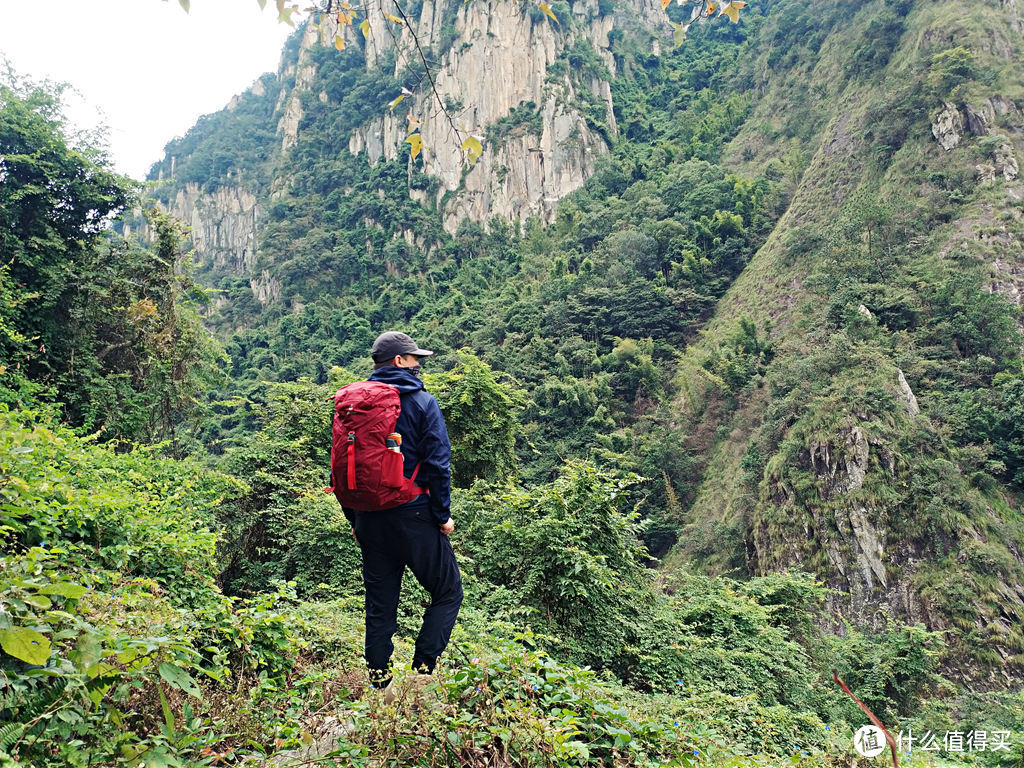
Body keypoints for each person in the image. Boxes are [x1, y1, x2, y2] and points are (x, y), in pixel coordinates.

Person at [341, 331, 463, 693]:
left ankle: (379, 683)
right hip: (414, 513)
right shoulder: (422, 402)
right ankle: (422, 675)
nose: (418, 364)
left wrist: (355, 517)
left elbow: (345, 468)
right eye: (413, 359)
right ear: (398, 361)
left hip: (369, 518)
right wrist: (442, 516)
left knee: (380, 605)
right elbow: (439, 464)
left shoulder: (355, 404)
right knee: (447, 592)